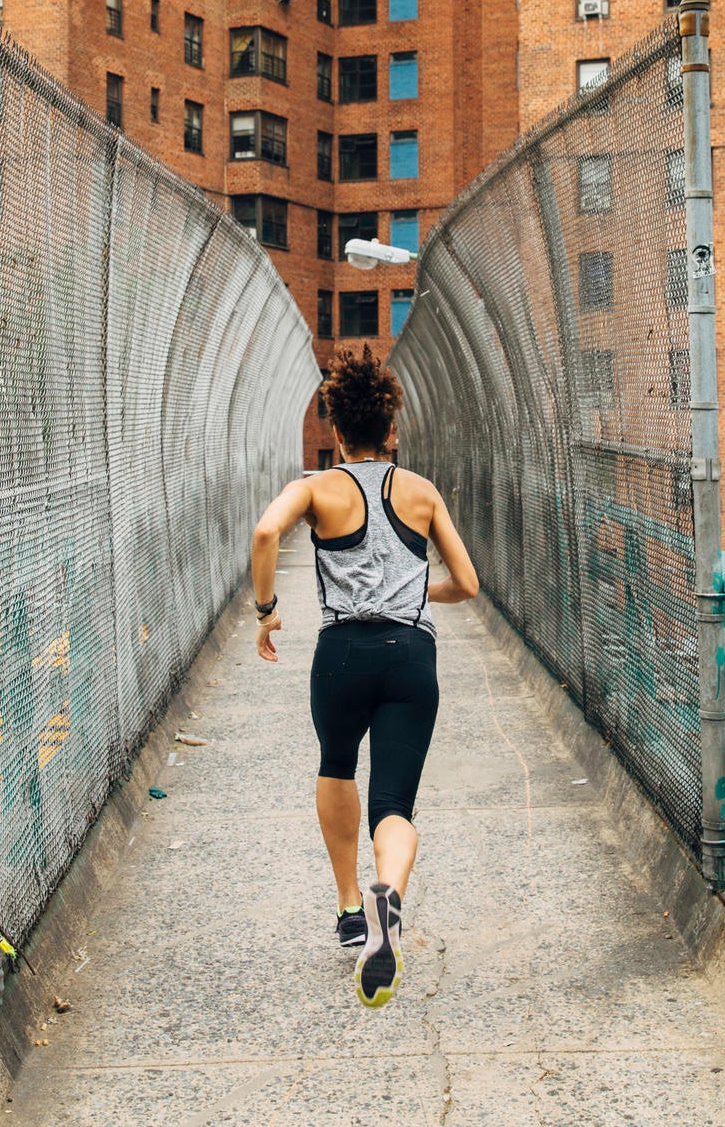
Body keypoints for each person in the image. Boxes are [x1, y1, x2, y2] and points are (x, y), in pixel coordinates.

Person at [250, 345, 479, 1009]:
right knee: (395, 805)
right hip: (411, 655)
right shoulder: (421, 492)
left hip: (341, 654)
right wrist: (413, 595)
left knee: (337, 765)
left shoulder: (317, 488)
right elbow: (468, 583)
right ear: (393, 429)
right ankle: (389, 898)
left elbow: (267, 534)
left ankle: (351, 908)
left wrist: (266, 613)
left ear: (338, 432)